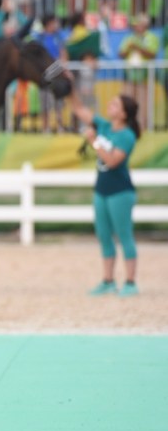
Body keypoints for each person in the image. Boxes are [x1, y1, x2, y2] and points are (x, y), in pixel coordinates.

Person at [65, 78, 141, 297]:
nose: (110, 106)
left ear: (124, 114)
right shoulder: (105, 126)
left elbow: (113, 161)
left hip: (121, 192)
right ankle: (108, 280)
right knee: (104, 235)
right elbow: (79, 108)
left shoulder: (126, 136)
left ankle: (130, 281)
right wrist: (70, 87)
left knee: (124, 235)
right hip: (102, 190)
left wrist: (95, 142)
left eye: (115, 105)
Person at [118, 13, 158, 130]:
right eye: (135, 25)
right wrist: (128, 49)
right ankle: (127, 126)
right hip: (129, 77)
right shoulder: (129, 38)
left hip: (144, 78)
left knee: (143, 104)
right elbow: (121, 54)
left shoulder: (151, 37)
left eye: (138, 24)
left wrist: (137, 47)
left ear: (145, 25)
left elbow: (152, 54)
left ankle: (142, 127)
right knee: (127, 103)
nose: (135, 27)